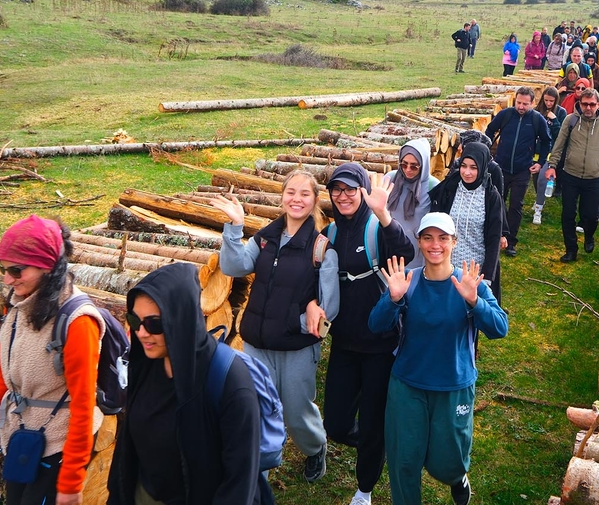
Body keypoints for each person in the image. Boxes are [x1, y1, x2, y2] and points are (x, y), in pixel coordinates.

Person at [368, 213, 508, 505]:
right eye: (428, 237)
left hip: (454, 385)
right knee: (404, 462)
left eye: (443, 238)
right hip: (408, 383)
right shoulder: (409, 282)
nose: (435, 245)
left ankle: (458, 478)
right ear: (418, 242)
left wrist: (474, 301)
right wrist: (393, 299)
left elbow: (499, 328)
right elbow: (375, 326)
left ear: (454, 242)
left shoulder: (470, 283)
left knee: (447, 463)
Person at [212, 170, 338, 484]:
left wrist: (299, 319)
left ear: (314, 201)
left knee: (296, 413)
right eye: (291, 192)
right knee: (256, 408)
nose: (296, 199)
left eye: (304, 194)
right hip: (257, 342)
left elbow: (329, 307)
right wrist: (234, 227)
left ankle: (314, 447)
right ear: (282, 197)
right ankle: (260, 471)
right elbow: (234, 265)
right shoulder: (265, 238)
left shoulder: (321, 248)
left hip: (297, 346)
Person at [106, 264, 263, 505]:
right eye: (135, 321)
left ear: (182, 318)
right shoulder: (146, 365)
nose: (142, 333)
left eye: (154, 324)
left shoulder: (230, 382)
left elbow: (239, 480)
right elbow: (128, 446)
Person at [0, 216, 104, 505]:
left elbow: (84, 405)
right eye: (3, 269)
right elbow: (3, 373)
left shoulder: (78, 323)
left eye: (16, 270)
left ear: (47, 267)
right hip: (21, 438)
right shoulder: (21, 303)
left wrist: (70, 483)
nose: (7, 279)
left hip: (57, 447)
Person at [322, 163, 417, 505]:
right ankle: (381, 441)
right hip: (344, 342)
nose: (343, 196)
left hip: (380, 342)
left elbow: (406, 252)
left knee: (372, 418)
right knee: (335, 422)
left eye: (351, 189)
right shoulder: (331, 232)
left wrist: (385, 214)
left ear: (363, 191)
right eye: (337, 189)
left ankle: (365, 489)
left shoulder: (376, 227)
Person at [544, 90, 599, 262]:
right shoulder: (571, 120)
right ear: (580, 103)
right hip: (570, 174)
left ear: (597, 104)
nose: (588, 108)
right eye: (585, 104)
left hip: (594, 178)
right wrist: (552, 166)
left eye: (592, 104)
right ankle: (571, 249)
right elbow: (559, 145)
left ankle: (589, 236)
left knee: (591, 215)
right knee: (568, 214)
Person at [428, 142, 505, 303]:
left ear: (483, 167)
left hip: (474, 270)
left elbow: (494, 239)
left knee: (469, 318)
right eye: (464, 166)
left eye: (473, 168)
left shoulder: (491, 196)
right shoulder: (449, 189)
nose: (467, 172)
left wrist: (487, 278)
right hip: (446, 266)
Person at [484, 87, 550, 257]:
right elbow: (490, 130)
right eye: (518, 103)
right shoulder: (505, 115)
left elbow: (546, 141)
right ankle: (494, 236)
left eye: (525, 104)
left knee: (515, 205)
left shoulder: (537, 120)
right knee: (497, 202)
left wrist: (540, 162)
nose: (521, 106)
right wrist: (488, 153)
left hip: (522, 170)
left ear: (533, 103)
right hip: (500, 168)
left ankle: (511, 241)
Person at [387, 139, 441, 270]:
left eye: (414, 166)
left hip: (418, 251)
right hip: (390, 247)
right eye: (404, 165)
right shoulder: (390, 179)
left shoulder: (433, 186)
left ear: (424, 166)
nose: (408, 170)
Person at [531, 86, 567, 225]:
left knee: (542, 179)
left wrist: (555, 121)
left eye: (552, 101)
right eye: (546, 100)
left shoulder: (561, 112)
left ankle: (538, 211)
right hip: (535, 151)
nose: (549, 104)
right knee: (536, 179)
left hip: (550, 152)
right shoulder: (536, 111)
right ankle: (539, 198)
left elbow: (561, 135)